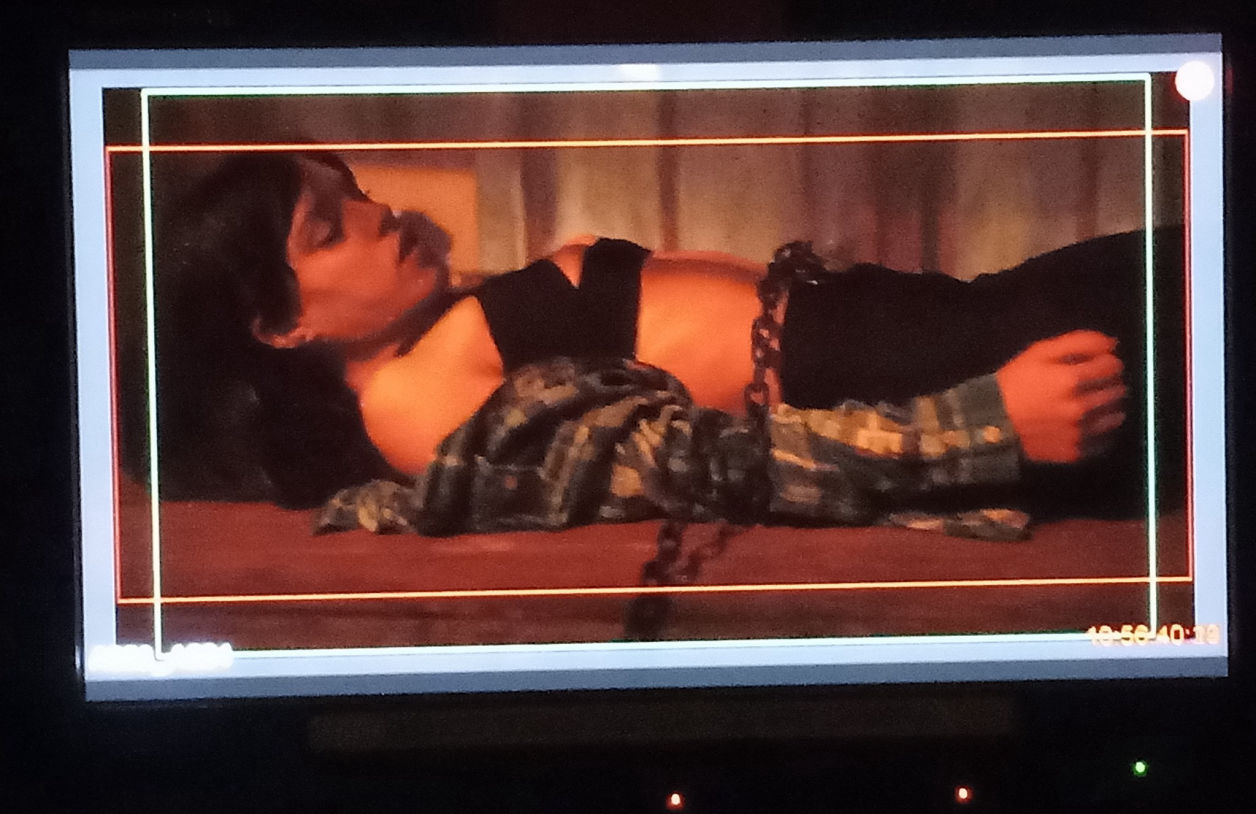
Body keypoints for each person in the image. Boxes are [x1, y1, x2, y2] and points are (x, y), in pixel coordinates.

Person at [125, 150, 1182, 529]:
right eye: (331, 227)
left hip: (960, 321)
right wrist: (981, 427)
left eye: (353, 190)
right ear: (283, 324)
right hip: (973, 373)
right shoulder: (409, 403)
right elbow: (690, 467)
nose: (377, 211)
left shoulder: (445, 329)